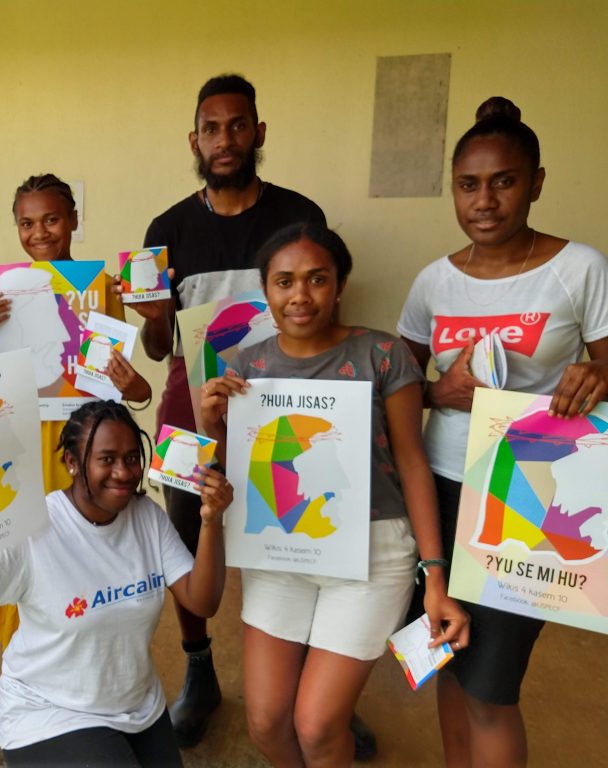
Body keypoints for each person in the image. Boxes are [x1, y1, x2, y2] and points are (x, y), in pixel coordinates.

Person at [200, 222, 470, 766]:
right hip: (281, 548)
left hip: (371, 554)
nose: (300, 295)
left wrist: (435, 576)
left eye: (317, 279)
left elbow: (412, 464)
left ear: (340, 284)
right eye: (284, 282)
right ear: (266, 289)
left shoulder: (383, 354)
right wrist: (214, 425)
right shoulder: (247, 366)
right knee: (266, 723)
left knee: (319, 727)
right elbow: (243, 472)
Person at [129, 73, 338, 749]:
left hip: (286, 410)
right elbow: (159, 348)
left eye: (238, 125)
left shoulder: (300, 216)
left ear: (258, 132)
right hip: (188, 412)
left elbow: (325, 315)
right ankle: (200, 672)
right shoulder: (166, 229)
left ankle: (320, 685)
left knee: (303, 535)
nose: (225, 139)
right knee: (186, 543)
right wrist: (154, 318)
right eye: (212, 128)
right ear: (194, 140)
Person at [397, 97, 608, 767]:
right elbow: (397, 392)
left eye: (503, 181)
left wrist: (598, 376)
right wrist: (439, 391)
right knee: (446, 660)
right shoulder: (433, 283)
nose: (484, 201)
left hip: (528, 500)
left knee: (492, 687)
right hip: (440, 490)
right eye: (468, 184)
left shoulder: (579, 268)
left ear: (536, 183)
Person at [0, 400, 233, 767]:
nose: (123, 472)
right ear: (72, 462)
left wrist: (211, 521)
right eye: (107, 459)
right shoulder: (33, 527)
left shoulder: (148, 517)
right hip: (49, 712)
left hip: (138, 707)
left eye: (132, 458)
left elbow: (202, 602)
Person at [0, 173, 153, 739]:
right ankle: (18, 685)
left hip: (82, 449)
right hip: (24, 443)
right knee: (23, 556)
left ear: (73, 218)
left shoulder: (102, 290)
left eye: (51, 219)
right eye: (26, 223)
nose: (40, 233)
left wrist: (132, 383)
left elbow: (129, 388)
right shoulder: (5, 294)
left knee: (79, 562)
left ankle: (89, 682)